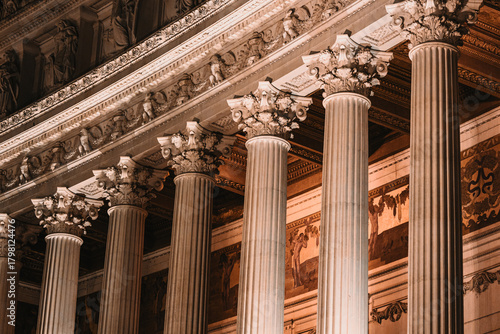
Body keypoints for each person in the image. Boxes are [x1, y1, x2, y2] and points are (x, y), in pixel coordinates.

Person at [0, 50, 19, 117]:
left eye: (8, 56)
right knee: (2, 96)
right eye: (6, 56)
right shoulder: (3, 66)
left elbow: (17, 74)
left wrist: (10, 76)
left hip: (9, 84)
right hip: (2, 85)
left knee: (7, 97)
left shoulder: (12, 65)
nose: (7, 58)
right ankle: (2, 110)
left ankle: (6, 109)